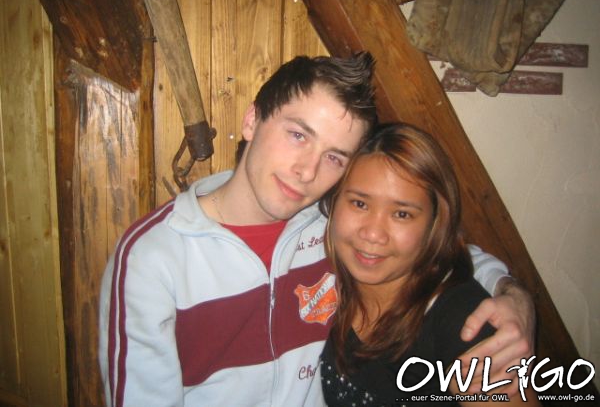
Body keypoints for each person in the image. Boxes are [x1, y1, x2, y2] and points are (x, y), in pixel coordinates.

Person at [99, 52, 533, 407]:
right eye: (298, 135)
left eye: (334, 157)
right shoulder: (153, 258)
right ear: (252, 120)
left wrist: (512, 295)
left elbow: (436, 251)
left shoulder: (333, 226)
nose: (307, 171)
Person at [319, 122, 539, 406]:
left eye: (402, 214)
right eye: (360, 204)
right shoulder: (317, 271)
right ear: (333, 202)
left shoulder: (464, 324)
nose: (372, 234)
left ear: (434, 225)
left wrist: (514, 293)